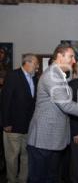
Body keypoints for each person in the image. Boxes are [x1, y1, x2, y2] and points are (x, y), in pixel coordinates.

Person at [26, 43, 78, 183]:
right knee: (39, 178)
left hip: (53, 139)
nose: (74, 61)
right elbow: (66, 105)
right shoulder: (52, 75)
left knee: (51, 177)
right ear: (60, 56)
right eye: (71, 56)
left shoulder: (60, 75)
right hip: (44, 139)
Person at [1, 54, 39, 183]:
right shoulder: (13, 75)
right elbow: (5, 100)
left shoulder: (34, 79)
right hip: (13, 126)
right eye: (36, 64)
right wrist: (5, 122)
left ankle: (23, 179)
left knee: (26, 156)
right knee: (12, 157)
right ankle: (11, 180)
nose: (38, 67)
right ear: (27, 62)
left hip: (28, 126)